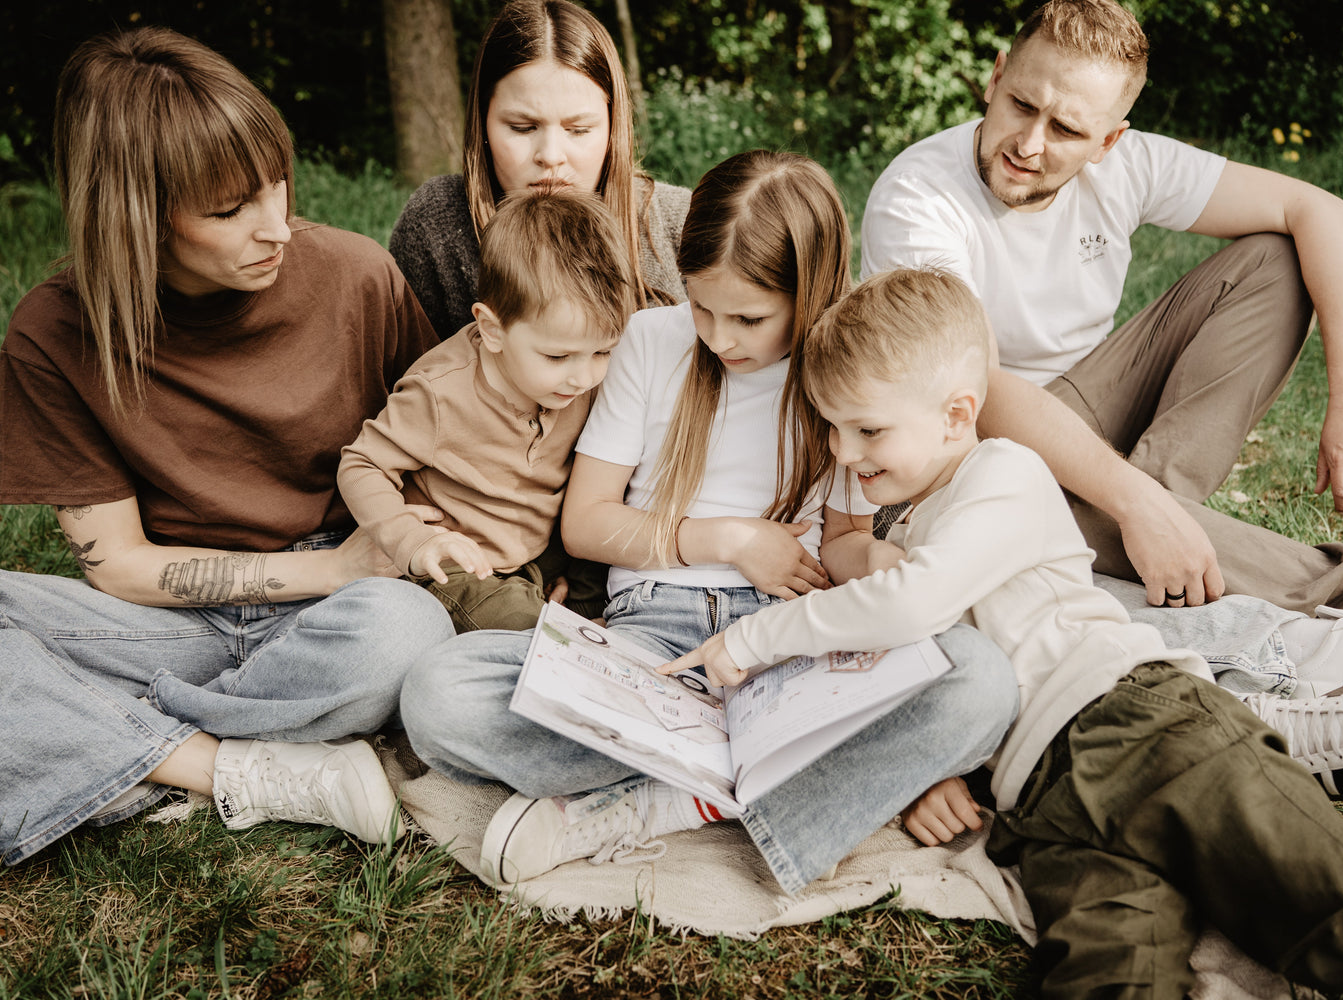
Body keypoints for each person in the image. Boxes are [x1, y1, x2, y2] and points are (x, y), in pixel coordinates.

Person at [664, 268, 1343, 996]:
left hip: (1148, 728)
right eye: (832, 428)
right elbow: (922, 677)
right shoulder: (912, 536)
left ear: (959, 414)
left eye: (868, 429)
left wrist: (753, 640)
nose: (844, 453)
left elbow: (911, 608)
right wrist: (931, 773)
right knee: (1107, 975)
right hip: (1043, 808)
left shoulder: (1005, 476)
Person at [399, 151, 1020, 894]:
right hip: (654, 641)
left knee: (981, 680)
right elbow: (587, 526)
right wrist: (728, 539)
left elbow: (848, 540)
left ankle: (672, 794)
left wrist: (879, 568)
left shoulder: (845, 371)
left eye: (750, 317)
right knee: (439, 694)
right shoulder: (653, 342)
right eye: (703, 307)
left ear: (810, 290)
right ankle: (783, 779)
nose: (721, 337)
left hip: (792, 637)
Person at [0, 27, 455, 866]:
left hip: (337, 624)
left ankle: (98, 739)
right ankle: (228, 767)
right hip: (168, 618)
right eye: (229, 209)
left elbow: (438, 466)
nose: (276, 225)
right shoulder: (52, 332)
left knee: (405, 631)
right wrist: (333, 569)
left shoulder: (357, 275)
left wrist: (357, 567)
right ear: (134, 215)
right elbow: (120, 566)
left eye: (276, 184)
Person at [860, 0, 1343, 617]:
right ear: (995, 78)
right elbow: (981, 395)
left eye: (1067, 131)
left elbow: (1322, 212)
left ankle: (1137, 523)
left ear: (1108, 140)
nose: (1029, 144)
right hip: (964, 460)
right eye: (1022, 106)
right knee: (1099, 490)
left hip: (1087, 420)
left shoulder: (1129, 166)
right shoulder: (918, 199)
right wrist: (1135, 502)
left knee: (1276, 259)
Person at [339, 190, 632, 631]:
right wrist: (412, 541)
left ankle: (588, 619)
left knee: (606, 555)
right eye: (558, 357)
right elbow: (361, 464)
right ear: (492, 329)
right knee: (518, 619)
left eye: (602, 352)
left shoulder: (581, 381)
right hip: (459, 561)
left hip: (538, 544)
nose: (583, 377)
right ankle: (557, 634)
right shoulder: (441, 393)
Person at [388, 0, 689, 338]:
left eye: (578, 130)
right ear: (482, 122)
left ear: (612, 129)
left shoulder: (683, 223)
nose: (550, 155)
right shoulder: (436, 225)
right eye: (522, 127)